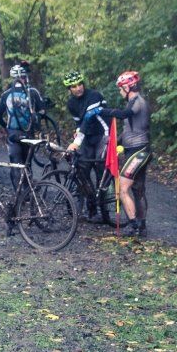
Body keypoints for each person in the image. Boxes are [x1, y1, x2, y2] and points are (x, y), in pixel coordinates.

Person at [99, 71, 151, 236]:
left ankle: (134, 225)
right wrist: (115, 142)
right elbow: (129, 129)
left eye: (121, 88)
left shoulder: (138, 102)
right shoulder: (132, 102)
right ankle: (141, 227)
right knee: (137, 189)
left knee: (122, 188)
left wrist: (104, 111)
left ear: (128, 87)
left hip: (139, 151)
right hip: (137, 150)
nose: (120, 92)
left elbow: (124, 115)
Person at [64, 70, 110, 222]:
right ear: (69, 89)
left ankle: (105, 211)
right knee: (82, 169)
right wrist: (77, 135)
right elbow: (79, 124)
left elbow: (88, 119)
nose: (78, 88)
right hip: (87, 137)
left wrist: (76, 142)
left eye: (80, 84)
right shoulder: (71, 103)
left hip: (102, 135)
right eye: (74, 86)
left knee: (100, 171)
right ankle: (92, 210)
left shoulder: (94, 96)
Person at [0, 64, 35, 188]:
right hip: (28, 133)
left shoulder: (6, 94)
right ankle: (29, 192)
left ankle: (18, 194)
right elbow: (42, 112)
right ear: (25, 77)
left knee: (15, 165)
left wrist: (6, 127)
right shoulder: (32, 92)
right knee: (27, 164)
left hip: (12, 133)